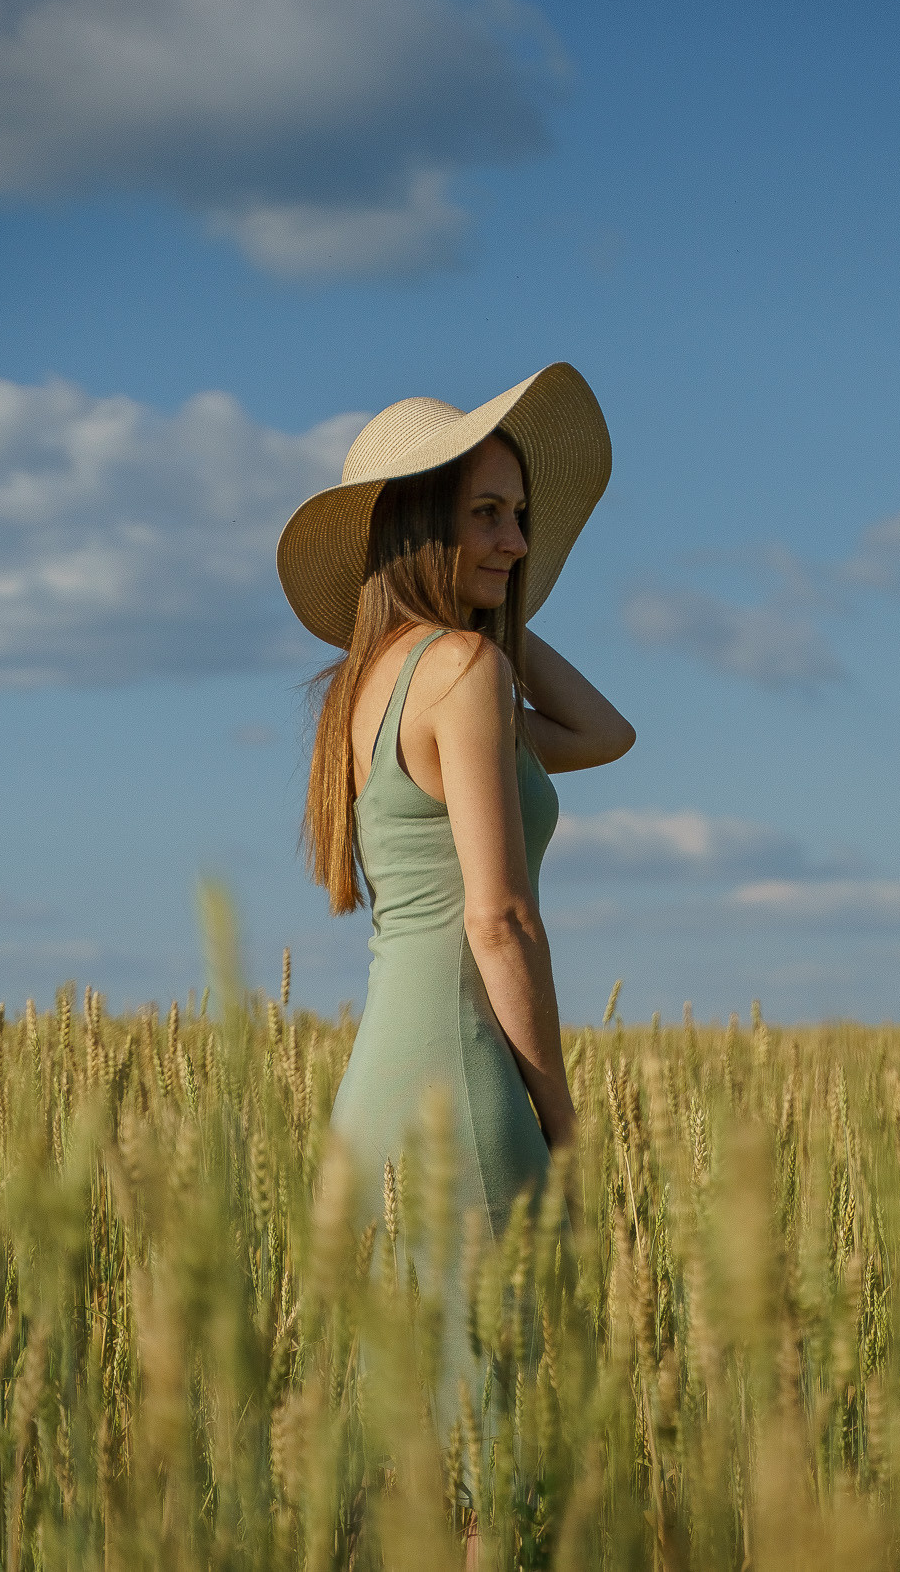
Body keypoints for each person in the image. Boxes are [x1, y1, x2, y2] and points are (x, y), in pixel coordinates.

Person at [276, 363, 631, 1563]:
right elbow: (502, 924)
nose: (516, 537)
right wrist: (562, 1114)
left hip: (376, 1098)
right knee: (499, 1461)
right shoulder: (464, 677)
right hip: (468, 1091)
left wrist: (500, 604)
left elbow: (602, 734)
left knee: (407, 1464)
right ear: (420, 519)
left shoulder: (369, 688)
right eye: (485, 512)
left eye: (521, 515)